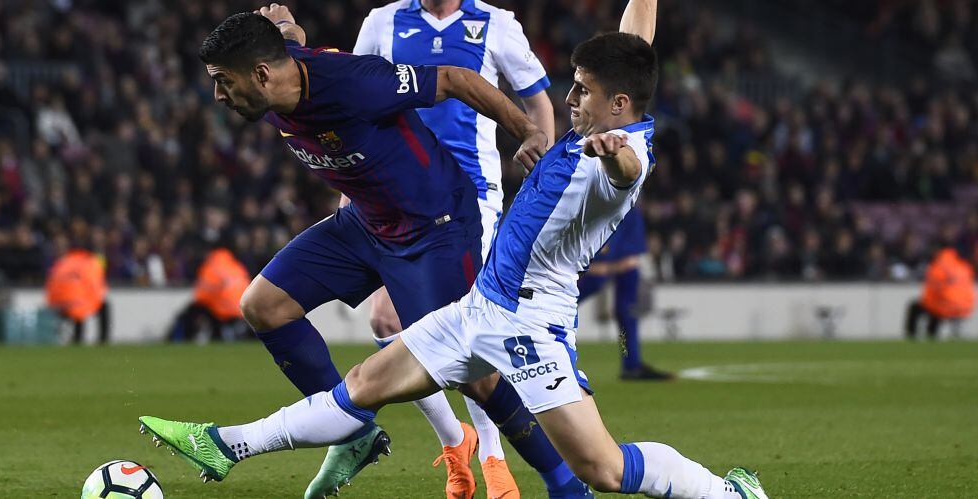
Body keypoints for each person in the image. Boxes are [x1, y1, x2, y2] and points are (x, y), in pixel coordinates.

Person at [139, 7, 769, 499]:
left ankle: (722, 489)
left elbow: (630, 171)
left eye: (580, 92)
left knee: (603, 469)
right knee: (363, 384)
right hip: (480, 307)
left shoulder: (619, 155)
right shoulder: (605, 112)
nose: (567, 101)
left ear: (620, 107)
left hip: (531, 322)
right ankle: (226, 444)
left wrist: (619, 155)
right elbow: (636, 48)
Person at [194, 7, 581, 498]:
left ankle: (563, 481)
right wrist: (286, 23)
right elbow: (288, 38)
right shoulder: (280, 66)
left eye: (223, 81)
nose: (218, 95)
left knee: (474, 375)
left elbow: (456, 79)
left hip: (432, 227)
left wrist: (527, 131)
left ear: (262, 74)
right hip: (365, 221)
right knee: (263, 305)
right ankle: (353, 435)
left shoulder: (354, 84)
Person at [352, 0, 555, 496]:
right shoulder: (383, 21)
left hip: (471, 195)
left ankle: (492, 456)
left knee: (464, 326)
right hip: (394, 193)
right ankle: (455, 440)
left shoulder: (496, 24)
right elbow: (353, 104)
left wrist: (545, 169)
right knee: (384, 320)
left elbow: (539, 101)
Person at [577, 207, 672, 380]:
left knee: (625, 312)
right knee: (571, 298)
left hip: (618, 220)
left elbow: (630, 262)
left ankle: (630, 362)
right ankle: (630, 363)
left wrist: (606, 268)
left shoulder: (631, 214)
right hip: (607, 219)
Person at [169, 244, 251, 342]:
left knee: (191, 312)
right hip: (242, 310)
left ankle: (180, 337)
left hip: (223, 310)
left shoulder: (211, 265)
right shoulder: (237, 266)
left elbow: (202, 294)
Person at [45, 239, 110, 344]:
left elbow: (50, 282)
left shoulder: (62, 263)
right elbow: (95, 284)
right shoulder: (89, 262)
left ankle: (77, 339)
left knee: (78, 305)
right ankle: (102, 339)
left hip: (60, 302)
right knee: (92, 305)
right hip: (75, 302)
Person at [905, 243, 975, 339]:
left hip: (945, 304)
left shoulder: (938, 266)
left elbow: (936, 289)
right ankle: (932, 334)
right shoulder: (964, 266)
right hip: (964, 307)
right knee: (935, 307)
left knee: (924, 306)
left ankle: (914, 335)